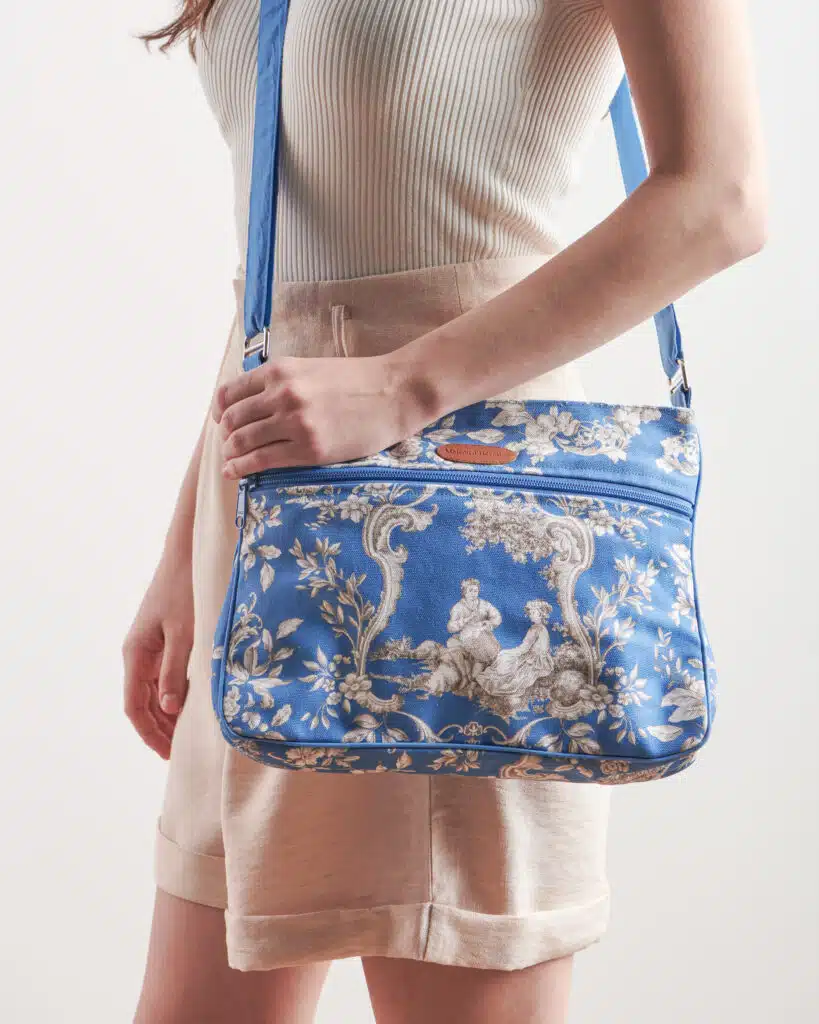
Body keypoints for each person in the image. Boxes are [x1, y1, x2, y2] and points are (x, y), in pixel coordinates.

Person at [124, 1, 765, 1021]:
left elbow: (720, 196)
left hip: (468, 541)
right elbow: (289, 279)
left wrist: (399, 387)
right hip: (277, 539)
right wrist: (185, 550)